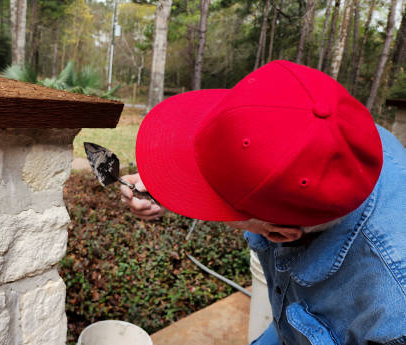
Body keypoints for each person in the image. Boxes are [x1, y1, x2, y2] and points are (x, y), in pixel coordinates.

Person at [120, 60, 406, 345]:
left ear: (280, 235)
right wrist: (168, 188)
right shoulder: (343, 134)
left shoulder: (392, 318)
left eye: (215, 197)